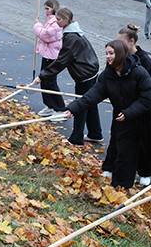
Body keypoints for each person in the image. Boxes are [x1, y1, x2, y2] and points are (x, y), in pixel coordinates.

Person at [65, 40, 151, 188]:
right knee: (117, 143)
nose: (108, 56)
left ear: (120, 54)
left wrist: (129, 113)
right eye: (106, 53)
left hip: (140, 117)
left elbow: (149, 98)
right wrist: (74, 109)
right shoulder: (108, 75)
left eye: (111, 53)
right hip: (121, 116)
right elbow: (92, 95)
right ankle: (110, 170)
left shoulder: (139, 72)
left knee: (131, 150)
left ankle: (121, 186)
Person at [33, 7, 102, 145]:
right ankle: (95, 133)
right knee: (90, 103)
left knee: (81, 105)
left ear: (66, 20)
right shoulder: (73, 32)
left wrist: (42, 76)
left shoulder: (71, 37)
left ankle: (76, 139)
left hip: (85, 74)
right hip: (89, 71)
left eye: (58, 19)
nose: (56, 22)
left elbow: (61, 62)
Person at [112, 24, 151, 186]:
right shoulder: (121, 58)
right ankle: (115, 169)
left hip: (144, 110)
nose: (119, 46)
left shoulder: (145, 60)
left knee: (146, 143)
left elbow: (150, 89)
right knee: (121, 140)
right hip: (126, 109)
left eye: (122, 42)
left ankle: (146, 172)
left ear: (131, 41)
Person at [32, 0, 64, 116]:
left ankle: (60, 108)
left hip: (52, 56)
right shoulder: (50, 20)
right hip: (47, 54)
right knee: (44, 81)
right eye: (45, 8)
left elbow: (45, 35)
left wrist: (37, 25)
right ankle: (50, 105)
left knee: (50, 83)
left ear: (53, 9)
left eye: (48, 9)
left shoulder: (56, 22)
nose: (45, 11)